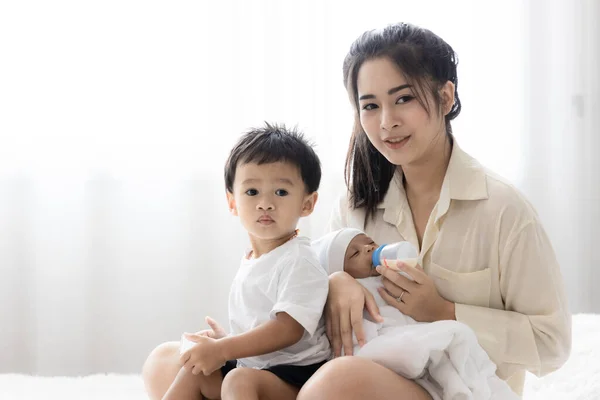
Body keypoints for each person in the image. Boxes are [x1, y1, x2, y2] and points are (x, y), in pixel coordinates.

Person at [296, 22, 571, 400]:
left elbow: (552, 343)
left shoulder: (505, 211)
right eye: (371, 106)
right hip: (371, 385)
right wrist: (334, 283)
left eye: (403, 99)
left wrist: (445, 311)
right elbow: (308, 310)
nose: (387, 122)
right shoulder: (353, 208)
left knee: (335, 382)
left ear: (445, 98)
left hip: (471, 392)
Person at [142, 123, 331, 400]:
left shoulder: (300, 259)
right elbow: (257, 323)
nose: (265, 203)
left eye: (281, 192)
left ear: (307, 204)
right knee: (195, 370)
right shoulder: (254, 259)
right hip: (257, 365)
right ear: (232, 202)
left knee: (238, 381)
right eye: (252, 192)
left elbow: (287, 329)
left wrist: (224, 349)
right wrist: (224, 340)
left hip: (296, 375)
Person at [312, 228, 519, 399]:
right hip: (375, 349)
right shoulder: (347, 290)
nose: (368, 249)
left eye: (370, 243)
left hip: (410, 347)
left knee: (453, 346)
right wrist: (336, 281)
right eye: (355, 253)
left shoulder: (395, 277)